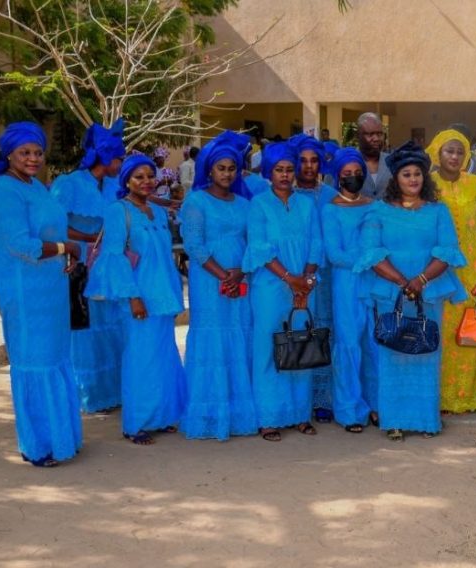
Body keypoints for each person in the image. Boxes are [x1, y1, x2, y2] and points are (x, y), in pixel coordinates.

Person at [354, 141, 467, 441]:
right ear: (396, 179)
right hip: (391, 292)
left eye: (418, 173)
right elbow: (372, 253)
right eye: (407, 174)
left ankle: (426, 420)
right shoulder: (378, 211)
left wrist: (420, 281)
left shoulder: (438, 211)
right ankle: (393, 421)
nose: (413, 179)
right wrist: (404, 283)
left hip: (428, 293)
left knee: (426, 351)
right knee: (393, 353)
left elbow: (447, 251)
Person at [0, 122, 82, 467]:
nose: (33, 158)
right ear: (9, 154)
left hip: (51, 288)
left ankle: (62, 437)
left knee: (55, 358)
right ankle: (38, 445)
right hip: (25, 290)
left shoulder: (38, 186)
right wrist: (64, 247)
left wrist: (67, 253)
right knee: (34, 361)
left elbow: (53, 230)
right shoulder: (4, 190)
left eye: (38, 152)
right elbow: (21, 244)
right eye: (25, 152)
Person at [85, 154, 186, 446]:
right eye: (138, 177)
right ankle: (136, 423)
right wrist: (133, 298)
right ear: (126, 180)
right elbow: (115, 258)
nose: (146, 182)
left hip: (163, 295)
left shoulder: (155, 209)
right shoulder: (119, 211)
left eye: (150, 176)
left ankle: (164, 415)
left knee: (164, 355)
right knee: (140, 359)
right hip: (138, 297)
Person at [179, 130, 258, 441]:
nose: (227, 174)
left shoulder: (244, 204)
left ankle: (238, 412)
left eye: (231, 168)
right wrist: (223, 273)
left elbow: (252, 240)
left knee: (240, 332)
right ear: (208, 169)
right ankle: (211, 414)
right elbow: (194, 246)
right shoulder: (196, 201)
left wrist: (241, 270)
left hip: (241, 277)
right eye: (221, 168)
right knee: (213, 337)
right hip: (209, 280)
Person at [243, 142, 323, 442]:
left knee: (300, 347)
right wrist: (292, 280)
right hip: (270, 287)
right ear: (269, 172)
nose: (286, 175)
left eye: (290, 169)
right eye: (279, 170)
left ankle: (300, 415)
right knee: (268, 348)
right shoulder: (259, 205)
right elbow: (260, 248)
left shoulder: (306, 204)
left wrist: (308, 281)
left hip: (304, 288)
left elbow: (316, 243)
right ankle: (268, 418)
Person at [49, 119, 127, 414]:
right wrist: (89, 237)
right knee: (84, 327)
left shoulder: (114, 186)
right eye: (118, 157)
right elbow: (55, 227)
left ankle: (113, 391)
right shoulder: (68, 185)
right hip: (79, 264)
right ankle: (87, 394)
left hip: (108, 265)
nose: (121, 163)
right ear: (105, 157)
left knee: (111, 326)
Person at [426, 129, 476, 414]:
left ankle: (467, 398)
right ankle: (440, 399)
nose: (454, 156)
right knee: (439, 331)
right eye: (449, 151)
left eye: (459, 152)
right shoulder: (427, 183)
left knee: (469, 333)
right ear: (437, 153)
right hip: (435, 270)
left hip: (471, 271)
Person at [320, 148, 376, 432]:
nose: (353, 178)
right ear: (337, 177)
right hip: (346, 283)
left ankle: (376, 405)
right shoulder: (330, 209)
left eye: (357, 174)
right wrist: (368, 260)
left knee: (374, 344)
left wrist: (375, 261)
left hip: (376, 281)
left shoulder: (373, 205)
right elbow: (334, 254)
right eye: (346, 174)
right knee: (348, 343)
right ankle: (349, 409)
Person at [287, 133, 338, 424]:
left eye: (314, 160)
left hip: (326, 277)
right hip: (295, 278)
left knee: (324, 334)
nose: (308, 166)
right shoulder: (286, 196)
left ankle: (323, 400)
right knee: (298, 332)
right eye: (303, 161)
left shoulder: (330, 195)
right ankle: (298, 402)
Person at [357, 112, 391, 200]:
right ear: (358, 136)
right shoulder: (346, 163)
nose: (376, 139)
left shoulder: (392, 161)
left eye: (379, 134)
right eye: (370, 134)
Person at [150, 147, 182, 211]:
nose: (160, 160)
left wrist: (170, 183)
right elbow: (149, 187)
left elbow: (175, 187)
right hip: (154, 199)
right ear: (155, 159)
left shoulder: (169, 171)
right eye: (158, 158)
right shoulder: (152, 171)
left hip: (166, 198)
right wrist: (159, 184)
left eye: (162, 157)